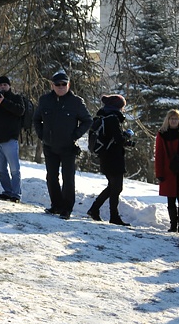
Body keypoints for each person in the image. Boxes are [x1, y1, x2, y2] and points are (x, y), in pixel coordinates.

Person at [33, 70, 92, 219]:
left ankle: (66, 209)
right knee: (51, 177)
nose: (61, 87)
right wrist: (42, 134)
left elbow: (87, 121)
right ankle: (56, 205)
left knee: (68, 178)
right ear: (52, 86)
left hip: (68, 147)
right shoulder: (45, 100)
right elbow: (36, 119)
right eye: (57, 84)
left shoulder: (76, 102)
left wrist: (75, 135)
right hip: (49, 146)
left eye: (64, 84)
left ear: (68, 85)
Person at [86, 94, 134, 226]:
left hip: (104, 156)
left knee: (113, 187)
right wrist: (127, 138)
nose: (123, 110)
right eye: (122, 107)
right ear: (118, 106)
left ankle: (94, 209)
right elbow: (117, 139)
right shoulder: (113, 118)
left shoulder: (102, 116)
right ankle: (113, 216)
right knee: (116, 187)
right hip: (114, 157)